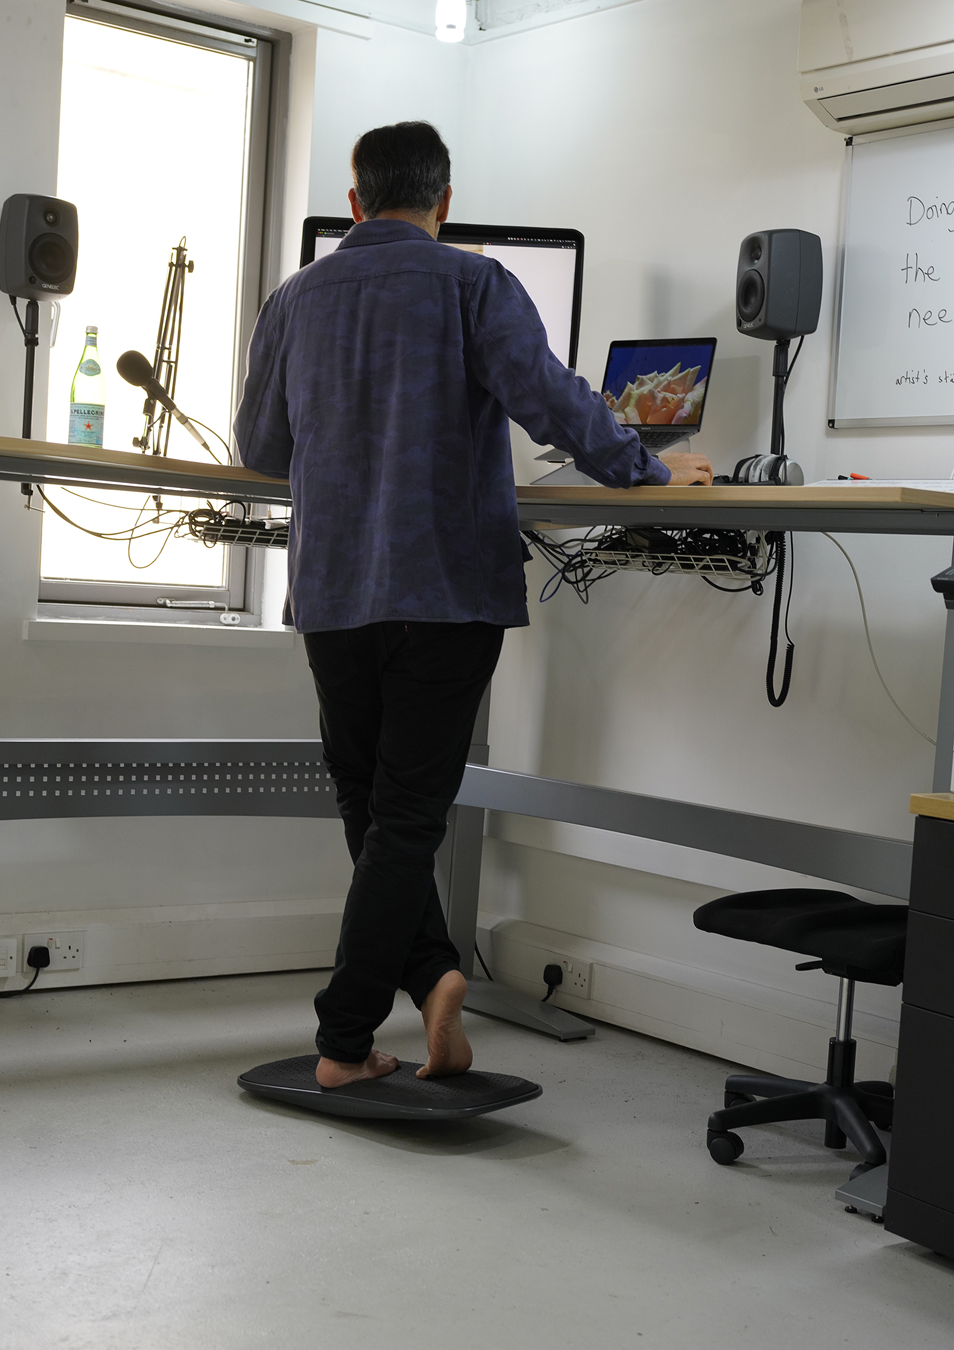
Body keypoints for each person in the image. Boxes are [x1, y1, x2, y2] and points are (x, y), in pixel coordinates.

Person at [233, 121, 712, 1090]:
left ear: (356, 203)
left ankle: (434, 976)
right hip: (446, 588)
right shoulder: (473, 283)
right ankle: (340, 1043)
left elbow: (261, 450)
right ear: (441, 205)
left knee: (370, 807)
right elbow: (550, 401)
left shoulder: (293, 298)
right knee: (407, 818)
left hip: (332, 592)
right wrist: (644, 468)